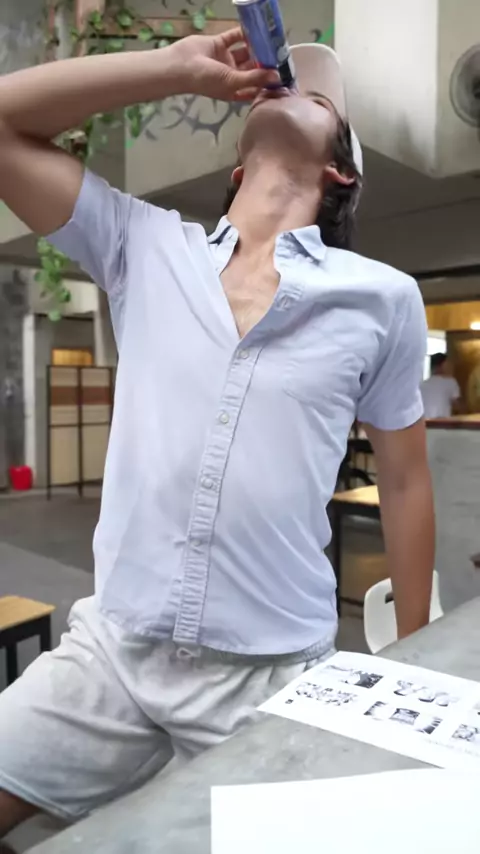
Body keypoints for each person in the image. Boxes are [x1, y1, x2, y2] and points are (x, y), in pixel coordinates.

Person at [0, 29, 435, 836]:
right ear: (239, 166)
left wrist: (415, 665)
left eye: (315, 97)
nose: (289, 87)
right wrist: (171, 70)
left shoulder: (383, 299)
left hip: (273, 674)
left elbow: (406, 482)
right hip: (112, 655)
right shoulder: (143, 245)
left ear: (340, 171)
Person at [421, 352, 462, 419]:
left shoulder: (422, 385)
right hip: (442, 422)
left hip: (425, 422)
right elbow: (456, 405)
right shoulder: (450, 382)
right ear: (443, 365)